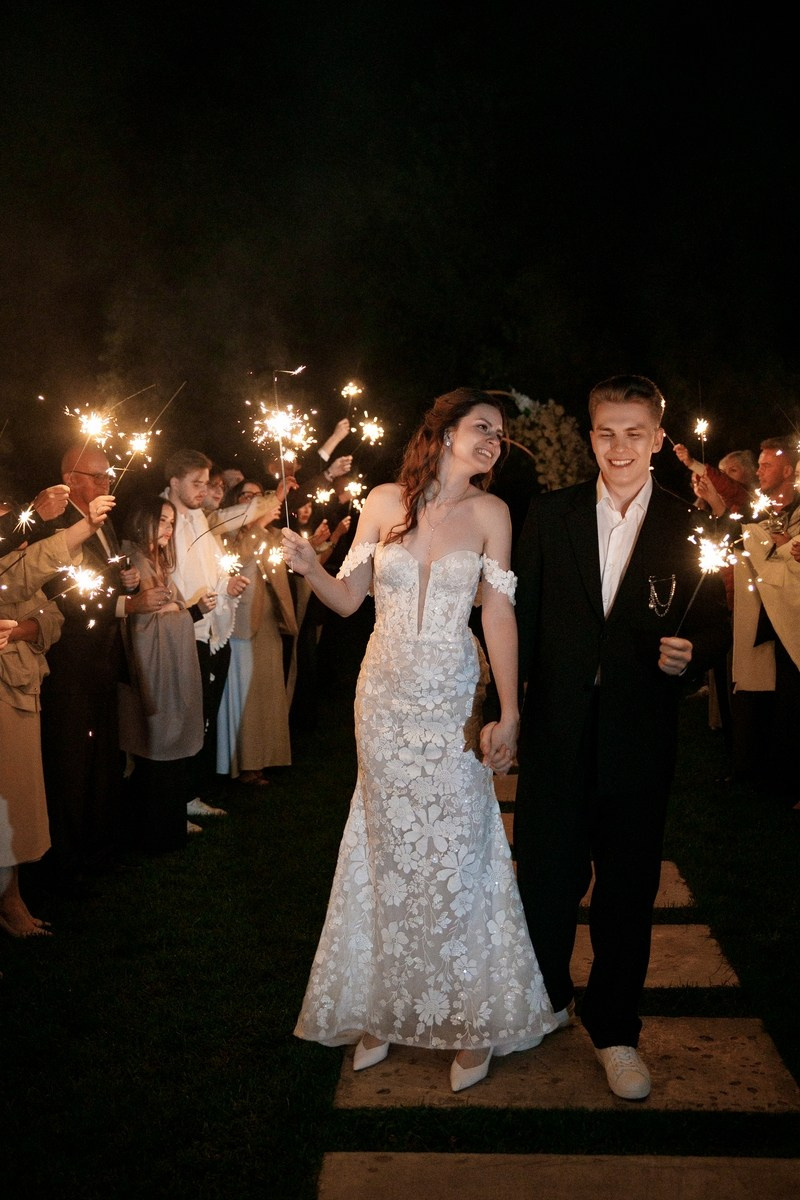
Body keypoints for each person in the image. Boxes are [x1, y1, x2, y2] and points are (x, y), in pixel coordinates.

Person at [282, 387, 559, 1094]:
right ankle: (384, 1006)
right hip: (382, 699)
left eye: (499, 434)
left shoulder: (493, 513)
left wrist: (510, 710)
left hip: (451, 696)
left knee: (462, 846)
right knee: (386, 844)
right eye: (483, 427)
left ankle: (472, 1019)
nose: (494, 441)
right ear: (443, 431)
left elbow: (498, 614)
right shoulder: (383, 504)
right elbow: (349, 599)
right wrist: (310, 566)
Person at [513, 374, 731, 1101]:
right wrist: (505, 709)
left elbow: (712, 623)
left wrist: (691, 655)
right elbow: (521, 620)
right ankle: (544, 1000)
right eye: (606, 432)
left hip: (639, 736)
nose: (619, 447)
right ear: (590, 435)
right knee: (546, 880)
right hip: (556, 732)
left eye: (635, 433)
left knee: (627, 891)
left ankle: (615, 1029)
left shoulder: (684, 522)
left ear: (658, 439)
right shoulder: (550, 515)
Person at [33, 445, 160, 894]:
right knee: (71, 762)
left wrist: (125, 580)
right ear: (71, 478)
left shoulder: (103, 521)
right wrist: (128, 605)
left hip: (104, 660)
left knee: (104, 756)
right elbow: (68, 598)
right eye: (99, 476)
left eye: (109, 475)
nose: (108, 483)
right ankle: (67, 863)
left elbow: (102, 578)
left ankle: (101, 849)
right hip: (70, 664)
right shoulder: (58, 526)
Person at [0, 486, 118, 933]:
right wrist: (80, 527)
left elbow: (52, 618)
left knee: (17, 801)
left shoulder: (19, 568)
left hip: (25, 686)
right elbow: (27, 570)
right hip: (7, 690)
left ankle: (12, 896)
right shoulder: (10, 569)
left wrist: (22, 629)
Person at [162, 449, 250, 829]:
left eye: (205, 482)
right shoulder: (164, 522)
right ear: (174, 483)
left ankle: (190, 794)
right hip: (182, 630)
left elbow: (212, 567)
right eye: (196, 483)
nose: (203, 490)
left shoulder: (199, 519)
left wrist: (227, 585)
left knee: (203, 717)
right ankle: (170, 802)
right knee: (183, 719)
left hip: (210, 629)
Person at [118, 497, 211, 851]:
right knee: (155, 740)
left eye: (172, 522)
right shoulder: (133, 561)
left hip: (170, 662)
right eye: (162, 520)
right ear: (142, 520)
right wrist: (184, 612)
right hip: (151, 668)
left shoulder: (158, 561)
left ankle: (170, 825)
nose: (168, 528)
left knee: (171, 743)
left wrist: (188, 610)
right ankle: (154, 831)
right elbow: (143, 618)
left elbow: (173, 607)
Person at [215, 479, 297, 785]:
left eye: (258, 496)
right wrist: (258, 524)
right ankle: (247, 762)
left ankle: (269, 755)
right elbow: (240, 560)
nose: (253, 501)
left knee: (268, 690)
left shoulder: (273, 535)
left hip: (268, 620)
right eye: (246, 496)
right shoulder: (228, 536)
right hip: (240, 624)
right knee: (247, 694)